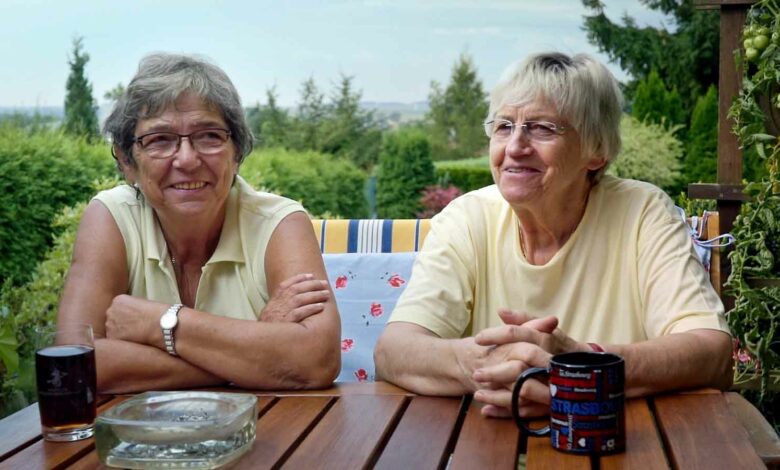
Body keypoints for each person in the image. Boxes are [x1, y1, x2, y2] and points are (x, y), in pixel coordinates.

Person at [374, 52, 732, 418]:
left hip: (618, 443)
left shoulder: (643, 213)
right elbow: (393, 351)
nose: (515, 147)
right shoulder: (467, 218)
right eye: (503, 126)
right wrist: (486, 364)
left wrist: (584, 367)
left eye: (543, 128)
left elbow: (711, 351)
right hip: (485, 444)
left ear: (597, 151)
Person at [57, 53, 340, 393]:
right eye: (160, 140)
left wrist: (158, 324)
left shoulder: (280, 222)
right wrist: (250, 353)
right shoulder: (111, 216)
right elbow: (74, 366)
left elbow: (316, 360)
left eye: (208, 136)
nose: (188, 159)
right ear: (126, 160)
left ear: (237, 152)